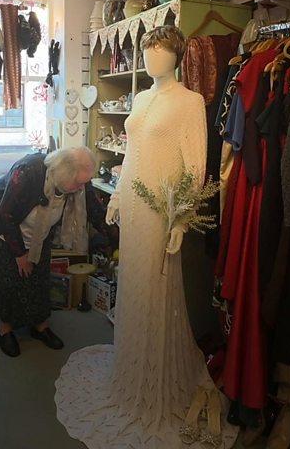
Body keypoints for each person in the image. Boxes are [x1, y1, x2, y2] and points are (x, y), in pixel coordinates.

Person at [54, 25, 237, 448]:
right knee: (133, 287)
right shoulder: (139, 98)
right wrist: (117, 193)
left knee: (157, 292)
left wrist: (180, 219)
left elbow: (195, 165)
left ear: (176, 56)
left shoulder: (190, 103)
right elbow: (133, 154)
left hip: (160, 212)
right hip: (134, 208)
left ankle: (160, 374)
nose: (153, 58)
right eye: (148, 50)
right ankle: (132, 367)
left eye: (161, 50)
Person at [0, 146, 111, 358]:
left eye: (84, 182)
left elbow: (95, 212)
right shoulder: (27, 172)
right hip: (6, 228)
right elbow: (5, 214)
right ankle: (4, 329)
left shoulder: (78, 183)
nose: (82, 187)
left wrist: (116, 233)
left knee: (39, 277)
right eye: (79, 182)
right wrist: (20, 255)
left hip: (39, 231)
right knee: (11, 279)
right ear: (64, 174)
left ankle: (39, 326)